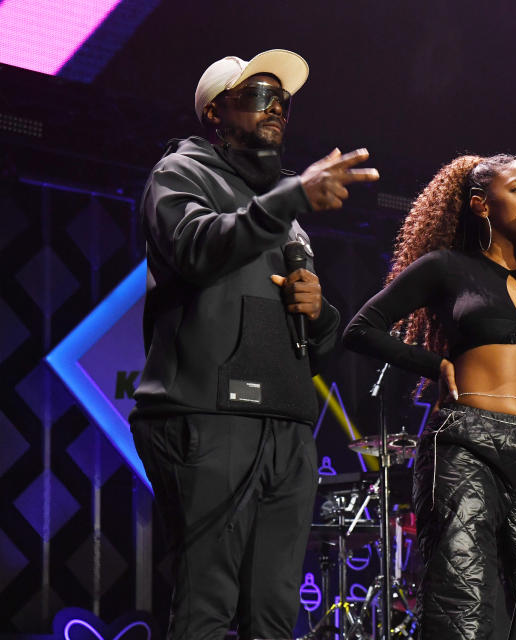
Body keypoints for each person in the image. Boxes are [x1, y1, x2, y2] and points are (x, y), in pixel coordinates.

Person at [130, 49, 379, 640]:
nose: (278, 110)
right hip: (209, 415)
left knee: (272, 615)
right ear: (216, 111)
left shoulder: (284, 213)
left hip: (287, 425)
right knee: (207, 606)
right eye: (261, 96)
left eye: (284, 102)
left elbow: (315, 346)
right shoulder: (181, 174)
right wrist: (291, 196)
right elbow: (196, 246)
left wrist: (319, 313)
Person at [343, 154, 516, 639]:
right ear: (481, 205)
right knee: (463, 601)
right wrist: (433, 363)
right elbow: (361, 329)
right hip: (468, 442)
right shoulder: (447, 267)